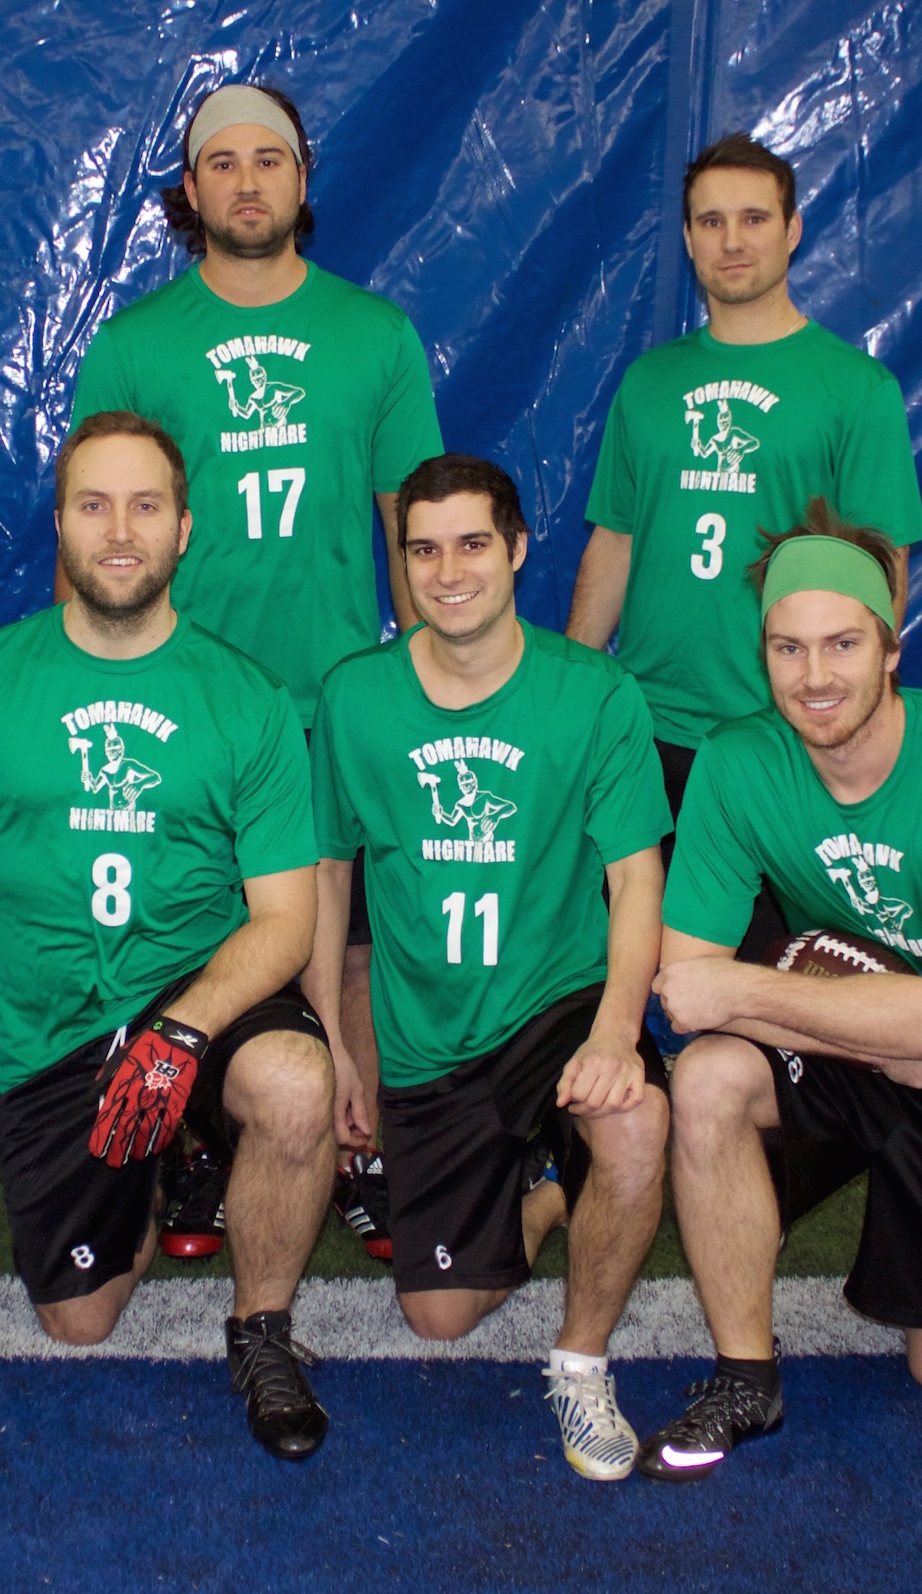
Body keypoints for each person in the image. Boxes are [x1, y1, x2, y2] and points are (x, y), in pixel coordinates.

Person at [0, 411, 340, 1459]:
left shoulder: (247, 697)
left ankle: (261, 1329)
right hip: (59, 1026)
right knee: (78, 1322)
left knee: (292, 1083)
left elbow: (285, 919)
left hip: (200, 988)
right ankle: (170, 1165)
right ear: (59, 525)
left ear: (185, 528)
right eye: (94, 505)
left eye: (146, 506)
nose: (121, 530)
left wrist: (182, 1032)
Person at [638, 503, 922, 1483]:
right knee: (708, 1079)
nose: (814, 676)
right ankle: (745, 1377)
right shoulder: (735, 762)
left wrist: (754, 988)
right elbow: (685, 990)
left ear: (890, 647)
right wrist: (887, 1036)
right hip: (863, 1046)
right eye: (788, 648)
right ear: (761, 655)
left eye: (842, 643)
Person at [68, 80, 444, 1255]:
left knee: (352, 939)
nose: (245, 182)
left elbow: (409, 522)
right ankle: (199, 1150)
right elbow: (92, 528)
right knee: (184, 931)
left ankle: (359, 1143)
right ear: (189, 189)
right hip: (182, 700)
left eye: (267, 160)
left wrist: (421, 681)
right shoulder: (135, 342)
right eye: (221, 163)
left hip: (333, 694)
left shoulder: (374, 335)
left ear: (301, 178)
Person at [304, 454, 673, 1481]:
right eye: (422, 550)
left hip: (557, 1004)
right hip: (430, 1038)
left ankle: (582, 1363)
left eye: (471, 544)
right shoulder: (355, 697)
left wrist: (616, 1032)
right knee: (437, 1316)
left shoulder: (593, 693)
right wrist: (335, 1043)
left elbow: (636, 879)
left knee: (636, 1120)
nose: (447, 571)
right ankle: (547, 1193)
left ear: (515, 549)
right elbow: (329, 879)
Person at [566, 132, 922, 851]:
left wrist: (843, 721)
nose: (732, 241)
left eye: (754, 218)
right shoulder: (648, 382)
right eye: (711, 221)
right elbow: (615, 541)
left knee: (766, 927)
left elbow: (883, 566)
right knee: (636, 923)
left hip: (783, 731)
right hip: (647, 728)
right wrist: (572, 694)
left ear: (792, 231)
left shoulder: (857, 389)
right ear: (688, 239)